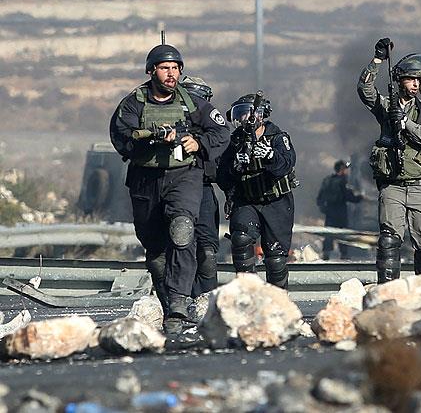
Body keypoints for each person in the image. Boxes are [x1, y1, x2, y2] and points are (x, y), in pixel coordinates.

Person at [109, 44, 230, 334]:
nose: (171, 73)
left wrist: (198, 143)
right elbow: (120, 135)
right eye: (165, 68)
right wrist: (149, 141)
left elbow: (221, 131)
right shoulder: (134, 103)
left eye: (175, 68)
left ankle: (179, 301)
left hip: (184, 175)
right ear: (152, 71)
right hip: (145, 179)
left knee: (182, 230)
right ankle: (168, 304)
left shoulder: (192, 103)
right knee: (155, 251)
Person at [357, 37, 421, 283]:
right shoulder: (386, 106)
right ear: (400, 79)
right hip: (392, 185)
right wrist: (377, 60)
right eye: (411, 79)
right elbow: (365, 90)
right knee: (388, 240)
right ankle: (387, 292)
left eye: (419, 81)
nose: (415, 84)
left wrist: (405, 123)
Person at [216, 93, 296, 289]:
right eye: (242, 114)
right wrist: (235, 165)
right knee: (241, 239)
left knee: (275, 256)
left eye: (251, 113)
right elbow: (222, 178)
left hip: (275, 201)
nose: (247, 118)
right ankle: (248, 291)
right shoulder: (234, 142)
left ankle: (277, 297)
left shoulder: (278, 137)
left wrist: (270, 156)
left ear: (263, 114)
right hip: (246, 200)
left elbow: (287, 164)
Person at [178, 75, 222, 296]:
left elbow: (225, 169)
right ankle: (178, 300)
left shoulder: (213, 133)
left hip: (203, 190)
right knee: (176, 248)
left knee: (207, 252)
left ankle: (205, 300)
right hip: (175, 190)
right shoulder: (168, 125)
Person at [316, 160, 363, 260]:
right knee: (342, 233)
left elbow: (320, 197)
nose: (347, 171)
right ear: (342, 169)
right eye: (345, 169)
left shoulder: (327, 180)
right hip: (340, 211)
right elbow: (348, 196)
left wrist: (323, 208)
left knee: (329, 233)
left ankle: (326, 253)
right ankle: (344, 254)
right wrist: (359, 198)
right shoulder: (343, 181)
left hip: (329, 211)